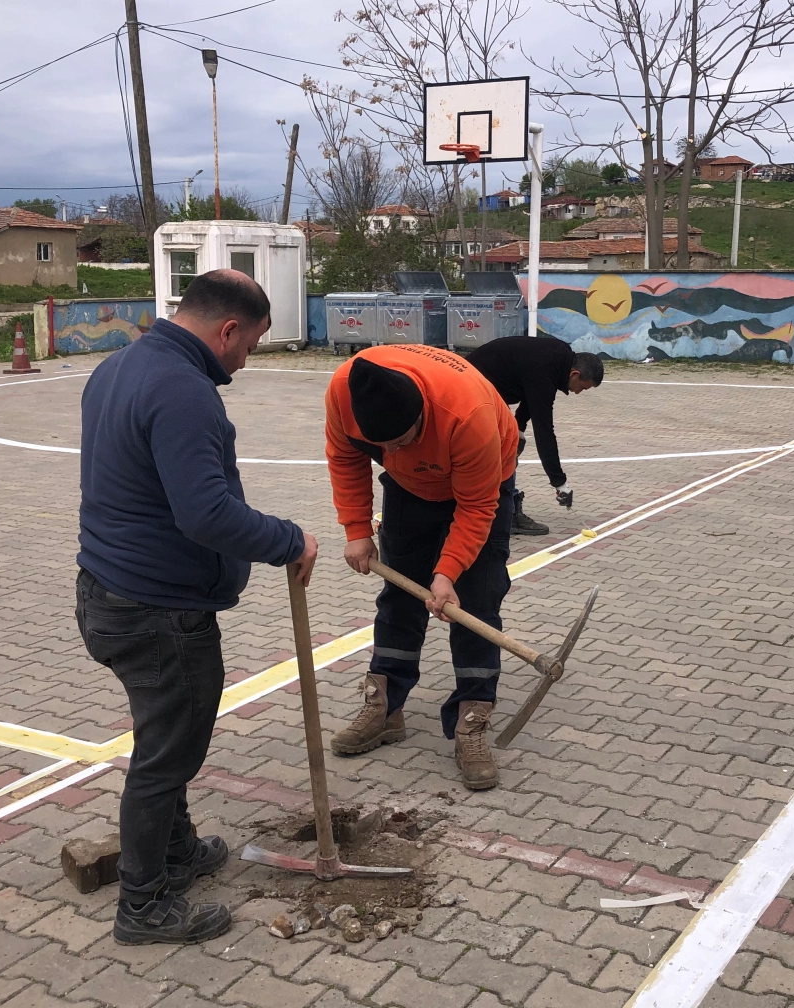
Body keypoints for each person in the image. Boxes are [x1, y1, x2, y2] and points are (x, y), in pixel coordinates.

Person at [76, 269, 318, 945]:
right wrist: (288, 540)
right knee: (165, 757)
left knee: (167, 743)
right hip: (155, 612)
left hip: (108, 592)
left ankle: (176, 852)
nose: (248, 360)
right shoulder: (185, 392)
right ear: (227, 330)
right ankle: (144, 904)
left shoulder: (119, 366)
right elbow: (206, 513)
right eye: (251, 345)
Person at [323, 344, 518, 790]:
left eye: (400, 439)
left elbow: (476, 507)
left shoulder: (468, 414)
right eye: (382, 445)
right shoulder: (344, 391)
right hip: (411, 488)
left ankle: (471, 718)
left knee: (475, 599)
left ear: (421, 414)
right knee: (401, 594)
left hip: (480, 483)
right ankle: (385, 706)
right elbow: (345, 458)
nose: (390, 450)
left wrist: (447, 574)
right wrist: (356, 529)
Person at [465, 335, 603, 536]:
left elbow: (531, 396)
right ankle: (507, 514)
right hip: (471, 387)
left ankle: (501, 507)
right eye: (583, 387)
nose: (579, 393)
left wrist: (518, 429)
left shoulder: (558, 358)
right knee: (501, 451)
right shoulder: (547, 369)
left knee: (510, 445)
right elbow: (544, 431)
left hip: (484, 385)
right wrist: (559, 482)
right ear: (575, 373)